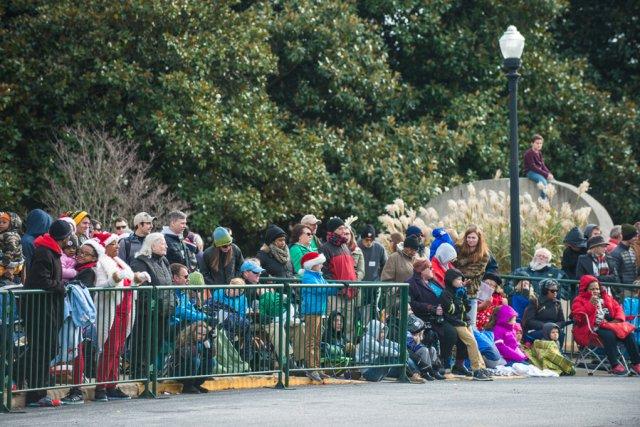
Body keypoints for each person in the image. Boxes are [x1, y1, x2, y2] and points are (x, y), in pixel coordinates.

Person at [91, 232, 148, 402]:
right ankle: (101, 387)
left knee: (117, 350)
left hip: (126, 310)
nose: (117, 246)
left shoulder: (120, 262)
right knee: (109, 350)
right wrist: (115, 279)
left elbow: (129, 282)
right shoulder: (101, 263)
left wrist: (139, 278)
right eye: (113, 243)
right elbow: (102, 287)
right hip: (112, 310)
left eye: (118, 243)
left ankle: (112, 385)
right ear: (104, 247)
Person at [22, 219, 72, 406]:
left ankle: (33, 387)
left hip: (47, 309)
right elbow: (41, 280)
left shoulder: (51, 251)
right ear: (64, 237)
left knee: (46, 349)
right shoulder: (44, 252)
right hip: (39, 309)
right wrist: (61, 286)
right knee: (42, 350)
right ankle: (35, 393)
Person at [407, 258, 467, 376]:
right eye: (429, 267)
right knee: (450, 333)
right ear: (421, 270)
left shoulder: (432, 281)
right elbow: (413, 304)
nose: (432, 269)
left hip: (443, 314)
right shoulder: (412, 283)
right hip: (426, 317)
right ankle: (443, 362)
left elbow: (446, 294)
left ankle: (459, 364)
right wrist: (431, 308)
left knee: (463, 332)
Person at [572, 275, 640, 375]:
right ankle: (615, 365)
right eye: (592, 289)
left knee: (628, 334)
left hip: (611, 325)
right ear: (585, 289)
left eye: (597, 288)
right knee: (609, 334)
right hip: (592, 328)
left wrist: (617, 320)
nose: (595, 291)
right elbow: (579, 317)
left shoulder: (606, 297)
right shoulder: (579, 300)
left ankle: (636, 364)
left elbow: (618, 309)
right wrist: (590, 304)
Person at [130, 232, 174, 379]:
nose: (166, 246)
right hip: (147, 313)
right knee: (143, 343)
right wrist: (152, 305)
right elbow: (140, 288)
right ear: (152, 244)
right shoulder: (140, 262)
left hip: (164, 311)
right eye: (162, 243)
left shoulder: (164, 261)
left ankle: (150, 372)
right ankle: (139, 373)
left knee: (158, 343)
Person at [441, 268, 492, 381]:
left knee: (474, 342)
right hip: (455, 322)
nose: (461, 282)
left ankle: (481, 367)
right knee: (471, 342)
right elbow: (450, 310)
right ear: (450, 280)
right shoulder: (446, 293)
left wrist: (464, 296)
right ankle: (476, 369)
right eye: (458, 279)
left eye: (461, 279)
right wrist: (458, 298)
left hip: (464, 321)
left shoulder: (459, 291)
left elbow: (467, 308)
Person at [299, 252, 343, 382]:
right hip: (311, 311)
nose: (322, 265)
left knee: (317, 341)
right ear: (312, 265)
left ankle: (317, 368)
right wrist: (338, 287)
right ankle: (312, 368)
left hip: (318, 311)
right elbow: (321, 289)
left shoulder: (317, 275)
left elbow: (326, 287)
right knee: (311, 341)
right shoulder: (308, 277)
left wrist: (336, 286)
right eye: (320, 263)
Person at [320, 217, 357, 340]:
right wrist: (337, 285)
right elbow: (324, 271)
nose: (343, 230)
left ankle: (348, 352)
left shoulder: (345, 247)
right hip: (335, 294)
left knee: (349, 325)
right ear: (332, 231)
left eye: (344, 228)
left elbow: (351, 269)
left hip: (350, 293)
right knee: (332, 324)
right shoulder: (325, 248)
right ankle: (331, 352)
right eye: (340, 228)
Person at [356, 319, 424, 383]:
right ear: (374, 331)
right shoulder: (368, 340)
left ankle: (415, 373)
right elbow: (383, 351)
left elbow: (394, 344)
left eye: (383, 332)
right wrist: (399, 354)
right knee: (390, 356)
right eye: (381, 332)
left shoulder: (379, 339)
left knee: (397, 355)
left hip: (377, 370)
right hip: (369, 373)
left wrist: (403, 350)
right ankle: (412, 375)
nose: (383, 334)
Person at [454, 225, 491, 329]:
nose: (470, 240)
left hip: (471, 292)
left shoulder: (484, 254)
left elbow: (474, 272)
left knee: (471, 324)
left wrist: (459, 268)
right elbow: (453, 265)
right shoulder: (460, 250)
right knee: (457, 322)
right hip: (456, 290)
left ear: (479, 239)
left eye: (473, 237)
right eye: (468, 237)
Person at [406, 314, 444, 381]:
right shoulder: (406, 325)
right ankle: (426, 372)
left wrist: (422, 336)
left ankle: (434, 371)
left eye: (410, 309)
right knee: (424, 350)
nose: (411, 311)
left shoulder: (414, 321)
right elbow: (409, 345)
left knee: (432, 349)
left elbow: (422, 339)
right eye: (409, 310)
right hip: (412, 351)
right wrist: (417, 341)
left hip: (418, 346)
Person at [523, 134, 553, 198]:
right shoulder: (529, 153)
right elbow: (533, 167)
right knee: (543, 182)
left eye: (540, 143)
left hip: (538, 172)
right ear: (532, 143)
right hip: (531, 172)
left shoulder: (539, 153)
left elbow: (542, 165)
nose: (539, 145)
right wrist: (546, 174)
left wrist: (549, 173)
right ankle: (543, 202)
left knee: (551, 181)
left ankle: (547, 201)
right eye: (537, 143)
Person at [0, 211, 24, 283]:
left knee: (7, 285)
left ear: (12, 224)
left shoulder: (12, 235)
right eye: (0, 222)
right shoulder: (4, 234)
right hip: (8, 263)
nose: (1, 224)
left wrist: (4, 262)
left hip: (11, 263)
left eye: (4, 222)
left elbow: (11, 249)